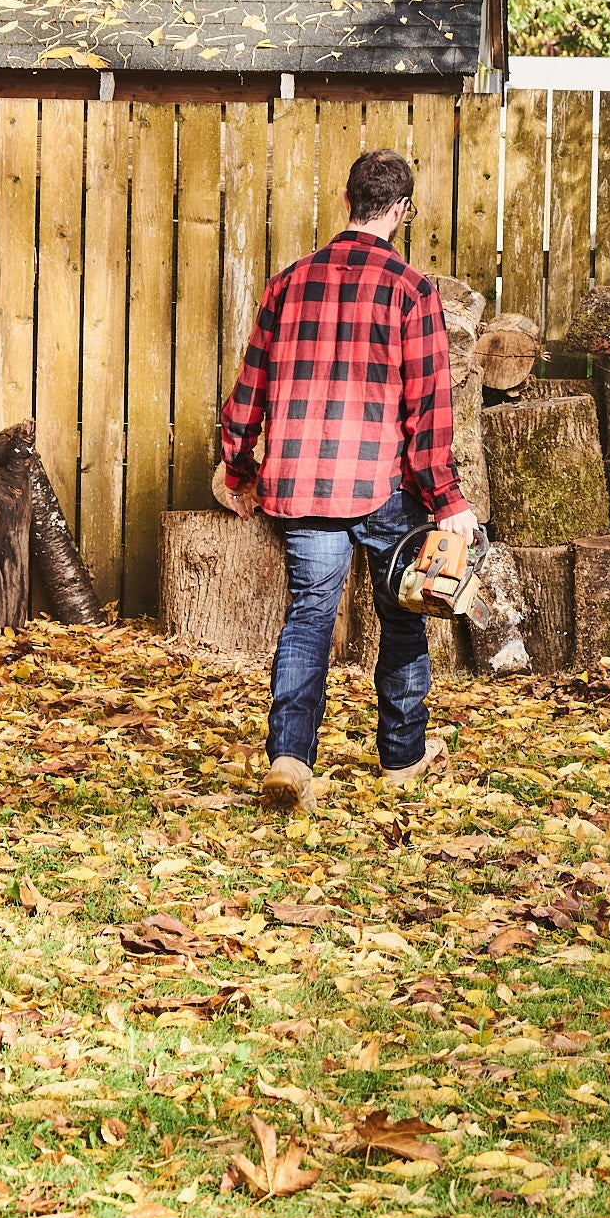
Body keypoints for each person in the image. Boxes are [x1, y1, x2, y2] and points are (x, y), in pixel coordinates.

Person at [217, 150, 479, 806]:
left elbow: (249, 388)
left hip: (302, 486)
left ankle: (289, 761)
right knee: (402, 619)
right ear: (402, 210)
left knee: (309, 619)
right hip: (383, 487)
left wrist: (239, 468)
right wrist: (446, 497)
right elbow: (428, 407)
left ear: (346, 200)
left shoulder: (287, 283)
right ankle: (402, 759)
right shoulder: (411, 290)